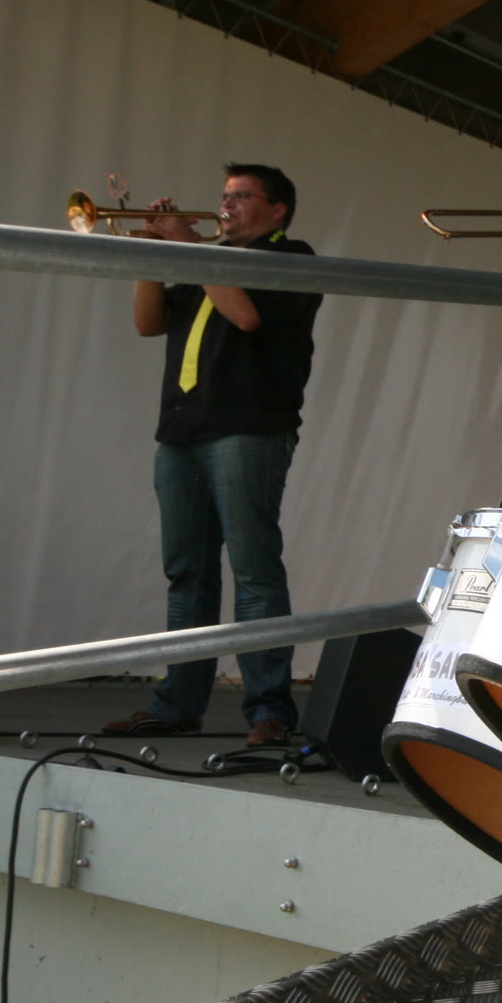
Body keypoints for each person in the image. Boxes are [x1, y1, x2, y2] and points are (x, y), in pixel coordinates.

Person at [102, 164, 321, 747]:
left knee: (254, 572)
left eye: (242, 196)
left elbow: (245, 315)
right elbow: (148, 322)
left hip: (248, 428)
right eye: (224, 195)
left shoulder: (290, 257)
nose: (227, 204)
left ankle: (270, 709)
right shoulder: (209, 260)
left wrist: (189, 246)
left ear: (277, 208)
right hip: (181, 431)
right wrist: (154, 255)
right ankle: (177, 703)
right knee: (187, 574)